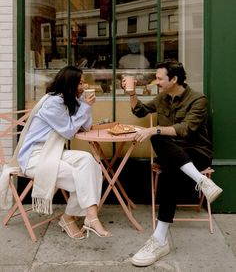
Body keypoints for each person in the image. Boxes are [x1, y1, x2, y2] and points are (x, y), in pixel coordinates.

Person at [122, 59, 222, 267]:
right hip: (173, 155)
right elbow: (140, 111)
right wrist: (131, 94)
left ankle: (159, 241)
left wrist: (153, 129)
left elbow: (186, 130)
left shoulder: (198, 99)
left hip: (197, 153)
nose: (156, 82)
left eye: (159, 78)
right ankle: (201, 182)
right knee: (163, 149)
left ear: (174, 79)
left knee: (158, 138)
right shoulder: (162, 98)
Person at [1, 65, 111, 240]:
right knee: (81, 176)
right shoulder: (52, 102)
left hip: (53, 152)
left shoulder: (67, 100)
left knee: (90, 163)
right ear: (69, 83)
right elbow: (68, 131)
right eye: (80, 83)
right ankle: (84, 217)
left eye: (83, 83)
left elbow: (85, 127)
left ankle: (74, 217)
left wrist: (85, 105)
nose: (83, 86)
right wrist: (84, 107)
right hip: (34, 157)